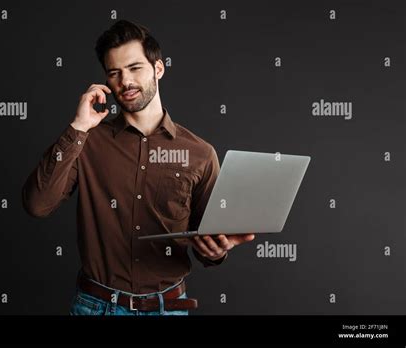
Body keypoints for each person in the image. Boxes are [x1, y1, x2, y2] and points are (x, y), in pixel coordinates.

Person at [22, 19, 255, 316]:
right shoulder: (87, 142)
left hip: (167, 307)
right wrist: (78, 127)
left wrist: (217, 251)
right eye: (114, 73)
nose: (125, 81)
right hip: (95, 307)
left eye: (135, 68)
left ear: (158, 69)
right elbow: (37, 205)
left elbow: (207, 243)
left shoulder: (200, 153)